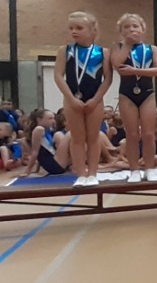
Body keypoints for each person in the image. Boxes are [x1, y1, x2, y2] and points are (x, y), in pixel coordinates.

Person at [54, 12, 113, 188]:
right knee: (77, 138)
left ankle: (93, 173)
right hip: (72, 99)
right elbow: (58, 76)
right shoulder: (65, 51)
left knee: (93, 137)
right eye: (71, 28)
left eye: (79, 28)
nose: (74, 31)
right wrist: (70, 98)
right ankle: (81, 174)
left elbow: (108, 79)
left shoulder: (103, 52)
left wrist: (96, 99)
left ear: (93, 30)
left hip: (95, 100)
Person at [111, 14, 157, 183]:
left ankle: (149, 168)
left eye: (135, 26)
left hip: (147, 93)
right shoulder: (118, 47)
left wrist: (135, 71)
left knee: (148, 134)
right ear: (121, 31)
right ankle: (134, 170)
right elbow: (117, 65)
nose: (131, 29)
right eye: (126, 27)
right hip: (127, 94)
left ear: (143, 29)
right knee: (132, 135)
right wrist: (127, 44)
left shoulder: (151, 49)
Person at [22, 110, 72, 177]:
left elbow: (42, 150)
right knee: (69, 134)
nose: (53, 121)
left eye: (53, 118)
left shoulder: (47, 130)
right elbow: (35, 152)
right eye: (50, 118)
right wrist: (27, 171)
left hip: (57, 161)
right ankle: (77, 166)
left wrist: (37, 170)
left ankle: (75, 165)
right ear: (39, 120)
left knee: (61, 135)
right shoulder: (39, 129)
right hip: (54, 165)